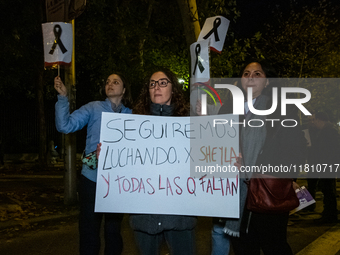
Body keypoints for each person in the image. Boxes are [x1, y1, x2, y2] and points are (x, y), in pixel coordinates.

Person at [215, 60, 305, 255]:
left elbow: (294, 148)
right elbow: (216, 144)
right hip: (235, 193)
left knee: (275, 246)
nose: (250, 78)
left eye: (257, 74)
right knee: (243, 247)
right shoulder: (226, 110)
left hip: (268, 190)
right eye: (246, 73)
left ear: (268, 82)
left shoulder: (283, 109)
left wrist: (256, 166)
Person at [54, 73, 132, 255]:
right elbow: (65, 126)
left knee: (113, 232)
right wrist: (63, 98)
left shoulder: (132, 115)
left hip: (116, 183)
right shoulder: (94, 108)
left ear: (124, 89)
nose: (110, 84)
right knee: (89, 232)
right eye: (107, 82)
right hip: (91, 179)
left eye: (115, 82)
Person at [129, 68, 196, 255]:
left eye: (163, 82)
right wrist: (108, 154)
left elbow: (207, 161)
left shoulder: (192, 123)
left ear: (173, 89)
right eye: (152, 84)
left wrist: (226, 161)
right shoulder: (131, 126)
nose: (156, 87)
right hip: (144, 216)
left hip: (180, 216)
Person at [309, 111, 339, 223]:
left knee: (328, 190)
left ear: (319, 120)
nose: (313, 122)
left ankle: (330, 215)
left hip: (327, 165)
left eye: (314, 120)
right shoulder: (328, 130)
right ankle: (329, 213)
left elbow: (330, 150)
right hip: (327, 164)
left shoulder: (328, 131)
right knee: (327, 189)